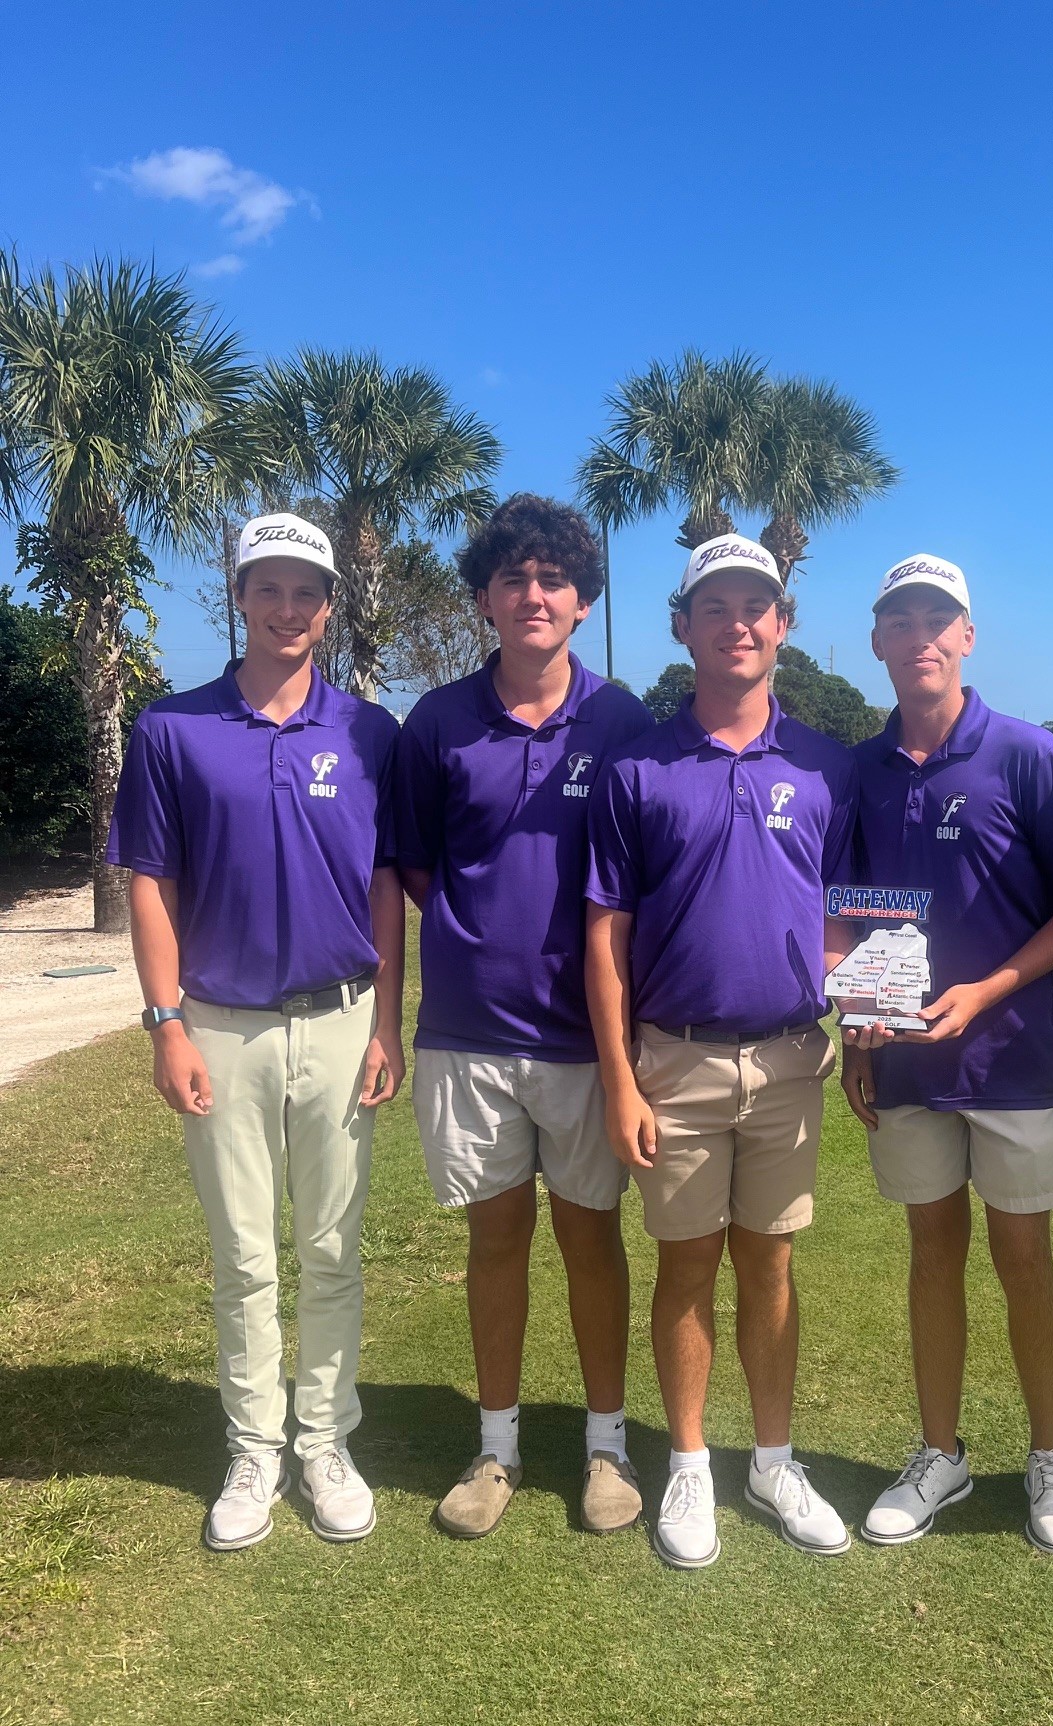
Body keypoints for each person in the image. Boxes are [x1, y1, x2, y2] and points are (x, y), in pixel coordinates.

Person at [107, 511, 405, 1551]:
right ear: (239, 597)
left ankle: (323, 1439)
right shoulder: (170, 728)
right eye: (267, 587)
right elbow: (151, 880)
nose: (288, 607)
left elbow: (382, 889)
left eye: (305, 591)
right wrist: (164, 1024)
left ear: (329, 607)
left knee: (331, 1250)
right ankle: (254, 1445)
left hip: (339, 1018)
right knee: (243, 1256)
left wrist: (388, 1025)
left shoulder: (370, 733)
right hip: (220, 1025)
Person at [584, 532, 858, 1569]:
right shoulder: (638, 764)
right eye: (717, 606)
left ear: (781, 624)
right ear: (684, 626)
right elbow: (603, 935)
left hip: (789, 1060)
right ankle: (692, 1462)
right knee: (686, 1266)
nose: (738, 622)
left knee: (771, 1266)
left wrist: (852, 989)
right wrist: (619, 1078)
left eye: (757, 605)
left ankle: (774, 1459)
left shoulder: (826, 764)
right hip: (675, 1059)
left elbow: (845, 913)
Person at [394, 494, 653, 1539]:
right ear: (485, 601)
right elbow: (411, 860)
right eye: (514, 578)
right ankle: (495, 1448)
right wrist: (472, 930)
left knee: (593, 1243)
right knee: (495, 1241)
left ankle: (605, 1446)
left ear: (582, 603)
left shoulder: (624, 719)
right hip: (469, 1029)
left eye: (553, 578)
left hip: (588, 1039)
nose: (533, 594)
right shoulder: (438, 721)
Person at [839, 555, 1053, 1552]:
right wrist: (855, 1027)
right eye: (901, 621)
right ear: (876, 642)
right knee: (930, 1251)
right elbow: (851, 915)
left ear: (967, 636)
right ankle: (940, 1453)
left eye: (938, 620)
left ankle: (1049, 1459)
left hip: (1012, 1057)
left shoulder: (1029, 755)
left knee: (1023, 1254)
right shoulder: (858, 771)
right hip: (904, 1062)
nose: (921, 637)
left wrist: (992, 986)